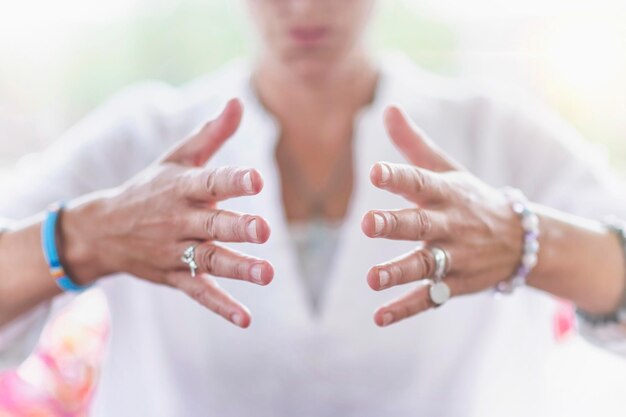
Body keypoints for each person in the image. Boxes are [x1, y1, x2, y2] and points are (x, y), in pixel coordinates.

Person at [1, 0, 626, 415]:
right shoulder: (139, 138)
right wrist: (85, 236)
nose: (303, 8)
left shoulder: (495, 134)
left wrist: (524, 240)